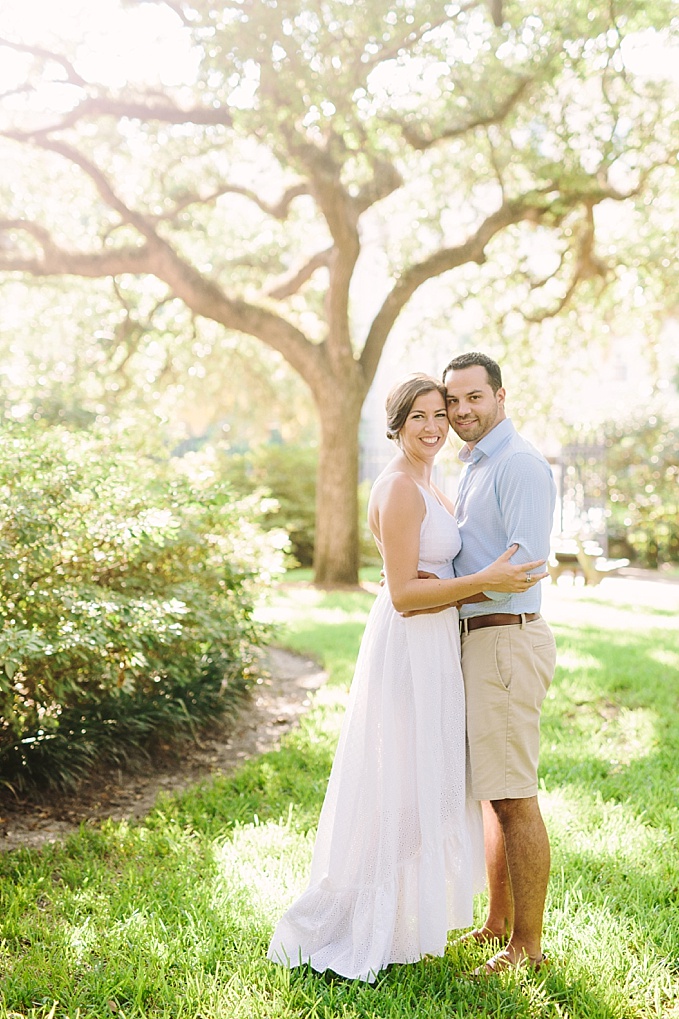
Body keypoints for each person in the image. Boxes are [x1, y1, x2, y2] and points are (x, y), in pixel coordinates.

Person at [267, 372, 546, 982]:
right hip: (411, 643)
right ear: (395, 425)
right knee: (404, 788)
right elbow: (401, 593)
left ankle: (401, 914)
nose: (433, 426)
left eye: (439, 414)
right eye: (419, 416)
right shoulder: (398, 486)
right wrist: (484, 583)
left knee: (427, 788)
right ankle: (356, 914)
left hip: (440, 646)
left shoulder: (432, 478)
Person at [442, 351, 557, 975]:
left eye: (473, 399)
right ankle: (497, 925)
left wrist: (442, 596)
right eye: (452, 401)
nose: (461, 412)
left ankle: (528, 948)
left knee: (513, 797)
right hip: (479, 642)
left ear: (500, 396)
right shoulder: (475, 467)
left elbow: (522, 570)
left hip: (506, 639)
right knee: (493, 795)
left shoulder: (517, 465)